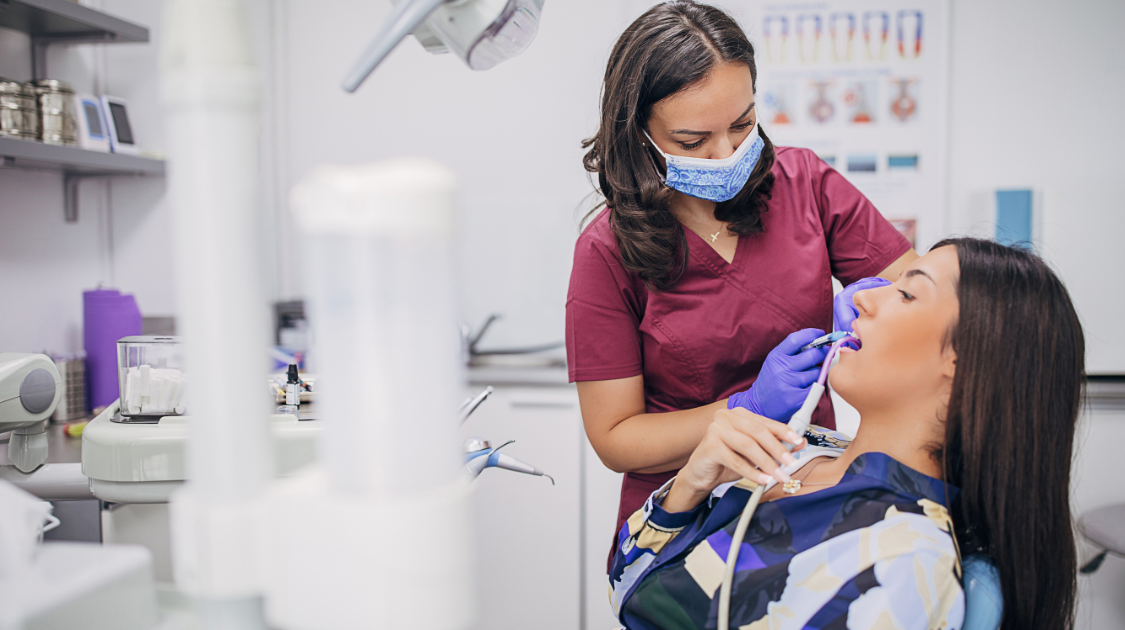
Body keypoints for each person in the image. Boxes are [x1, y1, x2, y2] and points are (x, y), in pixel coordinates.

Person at [567, 0, 916, 564]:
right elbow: (615, 437)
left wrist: (891, 305)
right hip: (687, 517)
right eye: (691, 140)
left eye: (742, 123)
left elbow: (931, 296)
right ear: (638, 133)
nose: (726, 154)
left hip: (808, 487)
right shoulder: (606, 252)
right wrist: (743, 408)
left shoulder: (804, 185)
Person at [608, 238, 1083, 630]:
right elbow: (626, 590)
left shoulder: (906, 564)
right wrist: (690, 484)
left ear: (963, 363)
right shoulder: (799, 449)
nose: (861, 296)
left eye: (906, 293)